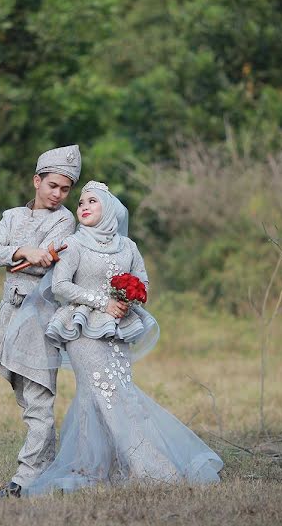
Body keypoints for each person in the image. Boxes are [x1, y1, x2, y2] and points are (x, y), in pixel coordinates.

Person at [24, 181, 223, 495]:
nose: (84, 207)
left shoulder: (128, 246)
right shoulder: (73, 244)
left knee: (97, 397)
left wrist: (129, 297)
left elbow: (142, 281)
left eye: (92, 201)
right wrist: (103, 302)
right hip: (83, 330)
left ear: (110, 208)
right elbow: (60, 286)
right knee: (112, 393)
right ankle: (150, 466)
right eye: (80, 203)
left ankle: (95, 467)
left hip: (118, 330)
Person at [0, 144, 81, 498]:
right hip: (9, 314)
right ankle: (49, 468)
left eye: (66, 189)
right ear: (36, 181)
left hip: (40, 314)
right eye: (53, 185)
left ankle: (23, 479)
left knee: (39, 397)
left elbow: (50, 261)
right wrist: (22, 251)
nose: (58, 194)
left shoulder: (66, 219)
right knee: (26, 396)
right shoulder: (11, 215)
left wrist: (33, 257)